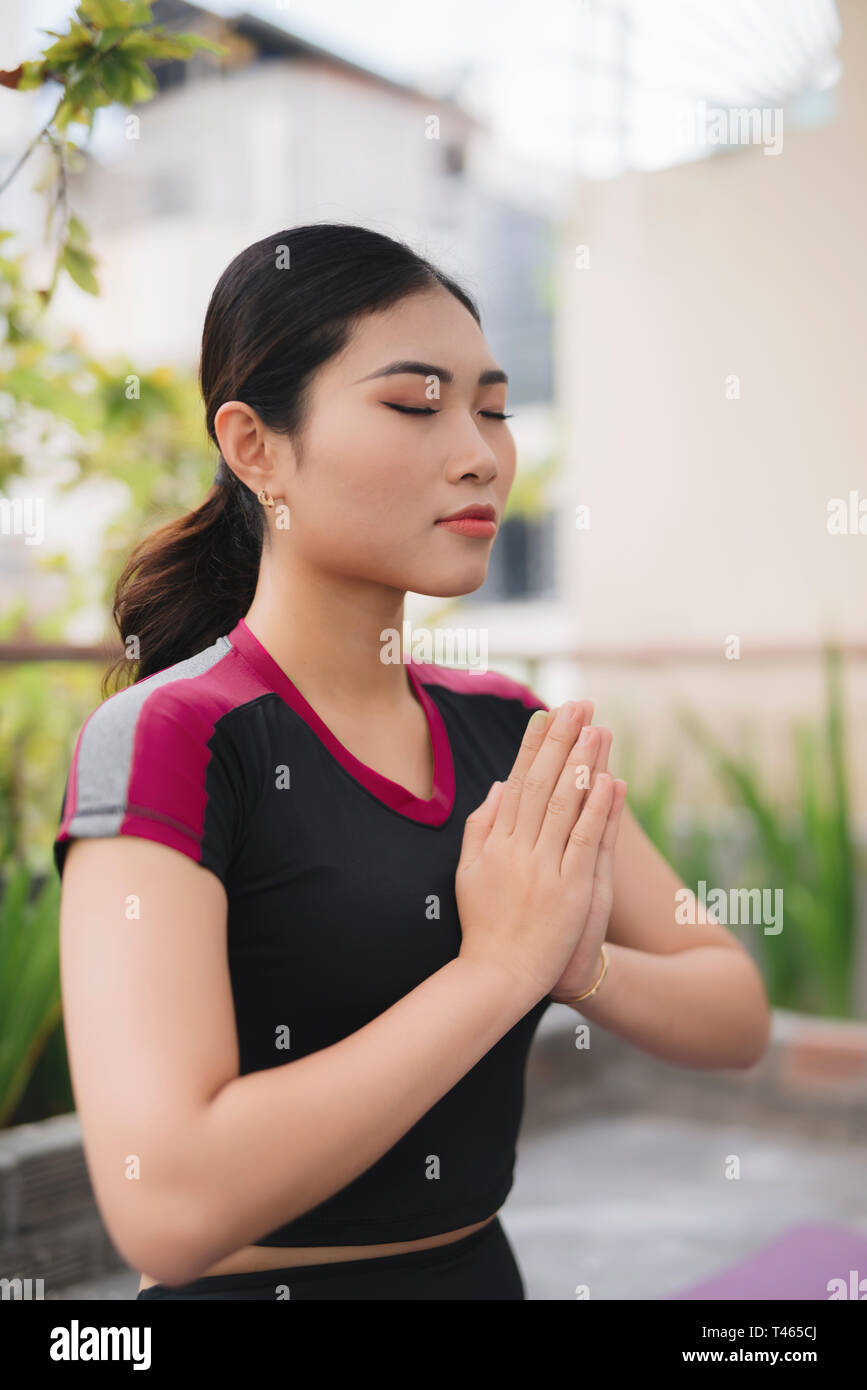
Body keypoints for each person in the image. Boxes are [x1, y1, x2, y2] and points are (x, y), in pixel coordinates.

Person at [54, 224, 771, 1301]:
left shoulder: (511, 733)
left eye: (491, 405)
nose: (480, 451)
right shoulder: (175, 738)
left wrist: (579, 964)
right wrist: (495, 971)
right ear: (256, 447)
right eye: (414, 403)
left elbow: (733, 1011)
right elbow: (167, 1207)